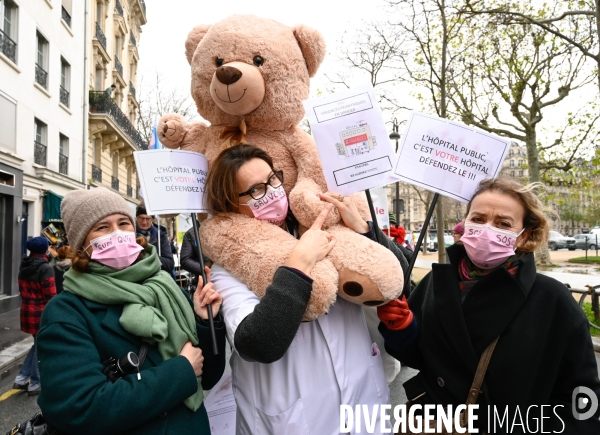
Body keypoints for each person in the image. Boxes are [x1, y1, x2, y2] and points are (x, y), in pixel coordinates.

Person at [204, 144, 409, 434]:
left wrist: (365, 230)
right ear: (229, 205)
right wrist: (299, 264)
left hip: (364, 407)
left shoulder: (324, 230)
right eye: (255, 191)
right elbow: (257, 343)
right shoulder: (231, 269)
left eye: (273, 179)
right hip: (295, 421)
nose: (272, 192)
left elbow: (400, 282)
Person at [378, 178, 600, 434]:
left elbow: (582, 398)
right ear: (464, 224)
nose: (487, 230)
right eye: (479, 219)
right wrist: (402, 329)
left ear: (523, 236)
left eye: (503, 223)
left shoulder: (553, 299)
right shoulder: (436, 283)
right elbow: (418, 358)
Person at [36, 187, 226, 433]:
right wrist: (180, 371)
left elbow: (209, 375)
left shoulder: (164, 285)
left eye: (124, 223)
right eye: (102, 227)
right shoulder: (66, 312)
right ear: (81, 243)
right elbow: (80, 408)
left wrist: (204, 320)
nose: (117, 233)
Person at [12, 236, 56, 396]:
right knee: (41, 346)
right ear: (45, 249)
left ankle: (22, 378)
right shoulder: (45, 268)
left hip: (26, 310)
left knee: (37, 344)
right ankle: (35, 383)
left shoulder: (24, 265)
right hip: (41, 311)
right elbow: (50, 296)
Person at [136, 206, 175, 274]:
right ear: (137, 218)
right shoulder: (129, 233)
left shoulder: (160, 235)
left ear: (152, 220)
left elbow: (169, 264)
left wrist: (147, 257)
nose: (144, 222)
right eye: (141, 218)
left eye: (148, 219)